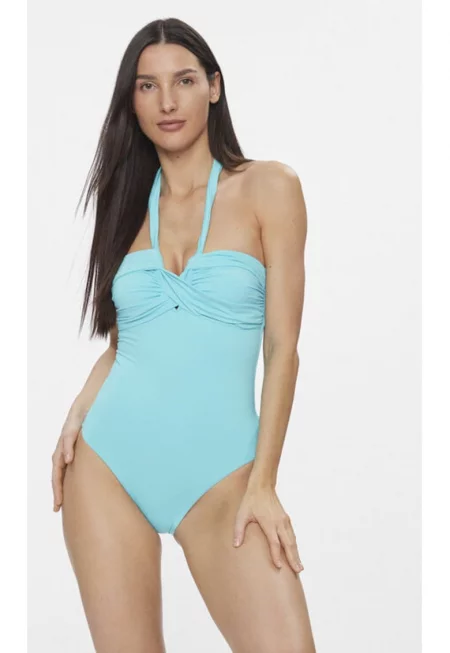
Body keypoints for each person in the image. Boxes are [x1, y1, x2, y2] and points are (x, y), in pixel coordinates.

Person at [51, 16, 315, 653]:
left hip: (226, 478)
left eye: (185, 81)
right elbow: (129, 340)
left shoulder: (270, 188)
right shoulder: (124, 202)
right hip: (109, 465)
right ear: (132, 100)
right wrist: (79, 409)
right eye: (147, 86)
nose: (167, 101)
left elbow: (283, 349)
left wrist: (263, 483)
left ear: (214, 87)